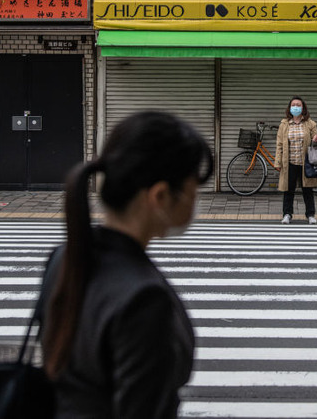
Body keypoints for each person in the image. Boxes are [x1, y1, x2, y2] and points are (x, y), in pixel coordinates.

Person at [37, 111, 212, 418]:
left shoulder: (65, 257)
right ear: (159, 196)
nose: (196, 202)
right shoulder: (143, 299)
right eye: (193, 190)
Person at [275, 96, 317, 224]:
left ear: (303, 108)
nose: (296, 107)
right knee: (288, 189)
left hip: (306, 163)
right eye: (293, 105)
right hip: (289, 163)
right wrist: (278, 162)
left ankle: (310, 215)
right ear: (290, 108)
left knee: (308, 189)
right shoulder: (284, 124)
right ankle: (287, 214)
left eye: (298, 105)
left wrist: (315, 140)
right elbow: (279, 144)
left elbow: (316, 144)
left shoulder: (310, 123)